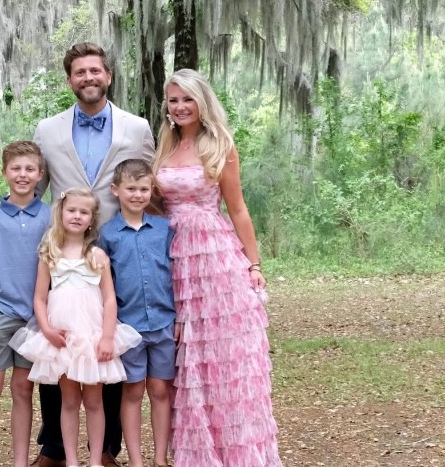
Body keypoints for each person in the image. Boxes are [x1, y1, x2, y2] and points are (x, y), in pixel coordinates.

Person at [0, 42, 155, 467]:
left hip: (117, 246)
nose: (88, 78)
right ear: (70, 79)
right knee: (58, 339)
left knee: (104, 342)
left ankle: (105, 449)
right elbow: (31, 189)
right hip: (63, 247)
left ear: (108, 76)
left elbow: (148, 186)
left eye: (95, 71)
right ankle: (54, 447)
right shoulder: (48, 130)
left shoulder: (137, 127)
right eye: (80, 72)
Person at [153, 68, 283, 466]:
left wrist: (254, 264)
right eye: (173, 100)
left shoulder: (220, 145)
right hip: (171, 258)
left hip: (214, 260)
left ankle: (236, 454)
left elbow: (238, 208)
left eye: (187, 99)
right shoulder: (163, 144)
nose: (179, 107)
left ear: (201, 102)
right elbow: (154, 202)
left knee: (222, 362)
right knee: (183, 360)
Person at [9, 188, 142, 467]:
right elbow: (40, 297)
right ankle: (71, 460)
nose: (77, 216)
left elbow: (108, 299)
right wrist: (45, 328)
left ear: (92, 219)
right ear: (61, 213)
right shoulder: (49, 253)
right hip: (62, 335)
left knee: (94, 399)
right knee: (68, 400)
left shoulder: (97, 255)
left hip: (91, 335)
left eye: (84, 212)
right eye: (72, 210)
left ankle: (94, 460)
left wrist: (107, 338)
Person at [0, 141, 51, 467]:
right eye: (16, 168)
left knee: (23, 390)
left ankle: (20, 461)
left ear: (40, 174)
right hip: (0, 314)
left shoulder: (49, 217)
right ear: (4, 173)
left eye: (30, 169)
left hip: (33, 319)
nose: (22, 175)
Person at [97, 159, 176, 467]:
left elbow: (176, 275)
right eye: (131, 188)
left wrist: (180, 317)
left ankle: (159, 459)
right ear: (116, 190)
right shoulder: (108, 235)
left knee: (159, 390)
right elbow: (104, 288)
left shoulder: (164, 229)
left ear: (151, 190)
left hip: (164, 324)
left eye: (144, 189)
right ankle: (136, 459)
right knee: (132, 392)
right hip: (127, 328)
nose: (138, 195)